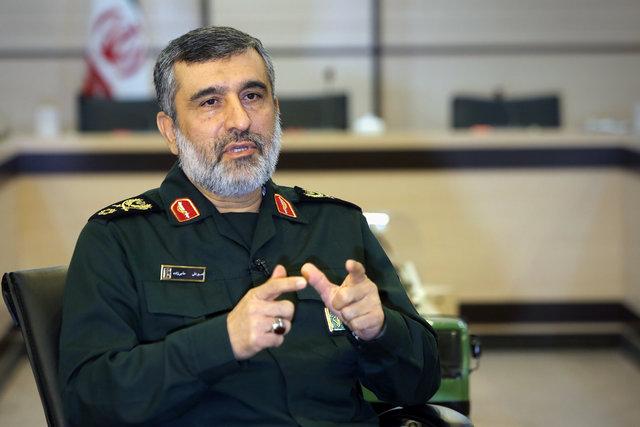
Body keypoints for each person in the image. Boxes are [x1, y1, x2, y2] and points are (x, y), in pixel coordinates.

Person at [59, 26, 440, 426]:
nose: (239, 120)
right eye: (210, 102)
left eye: (252, 96)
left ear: (276, 109)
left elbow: (420, 384)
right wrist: (221, 341)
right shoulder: (119, 238)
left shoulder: (336, 224)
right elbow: (88, 401)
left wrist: (381, 330)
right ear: (170, 131)